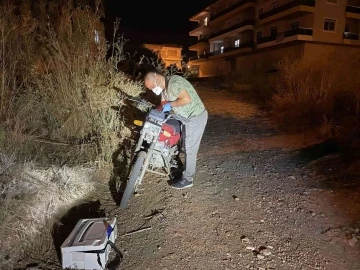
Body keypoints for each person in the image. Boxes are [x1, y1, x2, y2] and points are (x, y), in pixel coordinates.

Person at [144, 70, 208, 189]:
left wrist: (171, 105)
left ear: (157, 78)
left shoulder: (174, 83)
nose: (153, 89)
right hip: (184, 118)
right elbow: (163, 105)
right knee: (183, 145)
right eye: (150, 88)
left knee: (190, 149)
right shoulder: (164, 90)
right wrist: (156, 112)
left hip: (195, 117)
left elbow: (186, 99)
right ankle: (180, 164)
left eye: (152, 86)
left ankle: (188, 179)